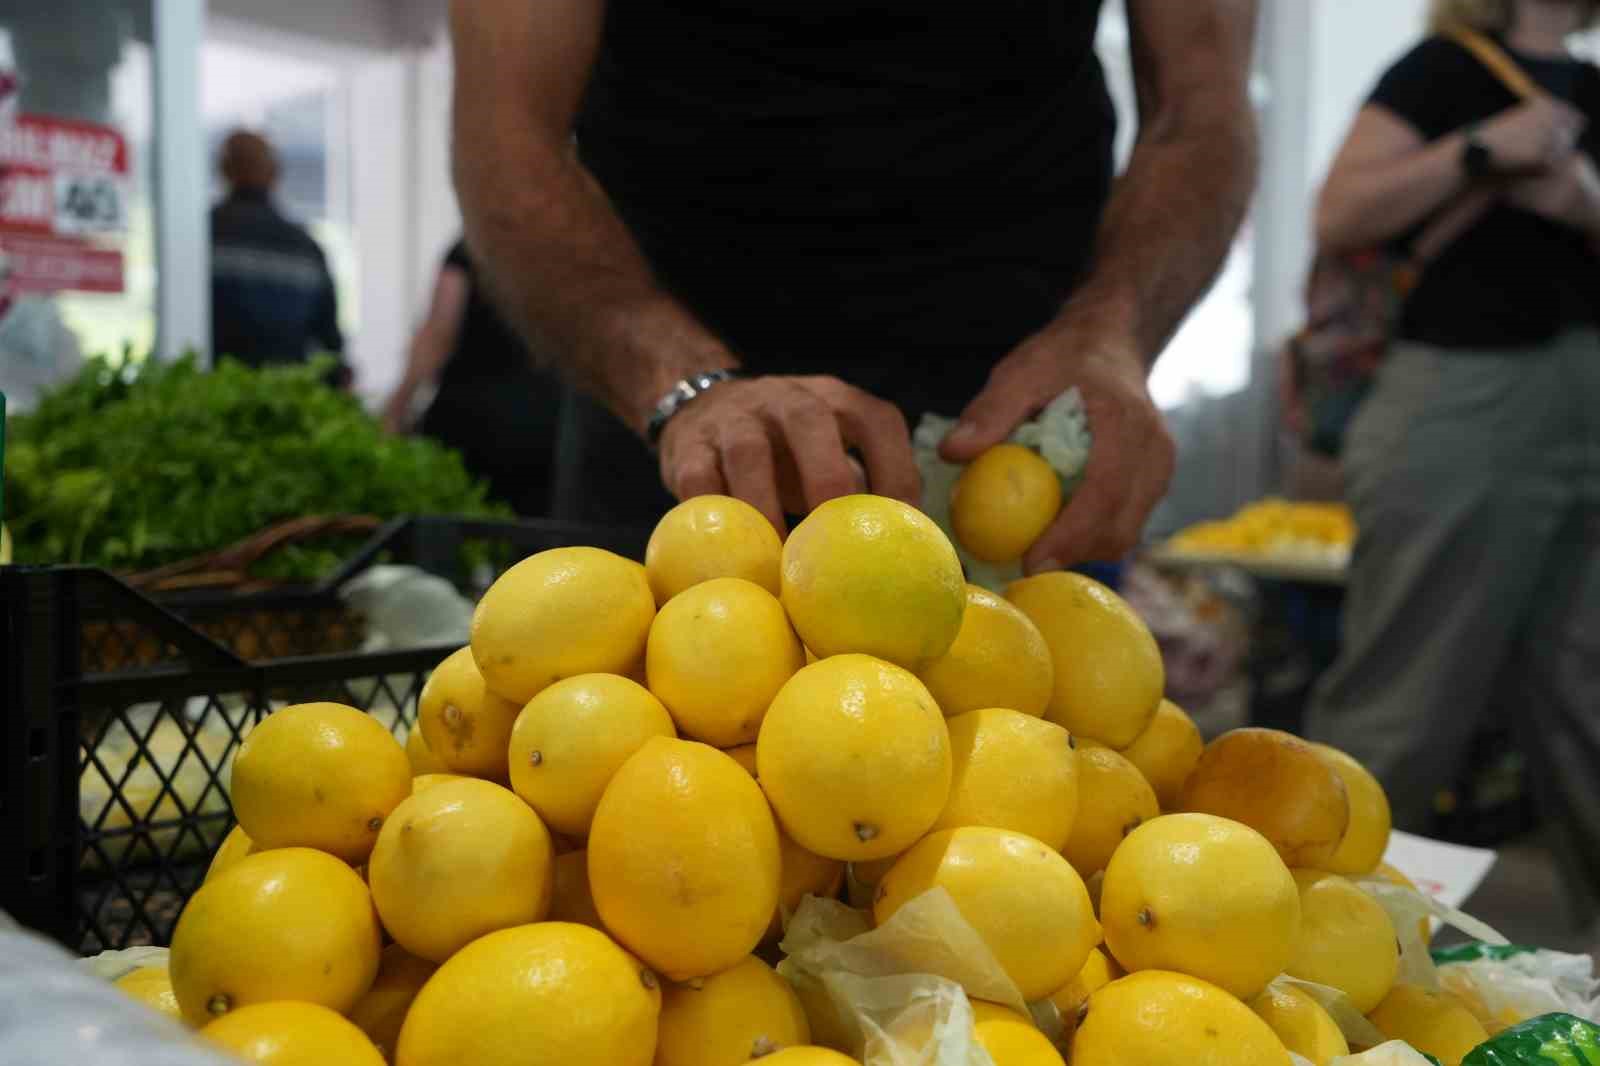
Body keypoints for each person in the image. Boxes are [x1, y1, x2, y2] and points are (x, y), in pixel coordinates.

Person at [448, 1, 1260, 565]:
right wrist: (678, 385)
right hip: (666, 389)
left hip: (1011, 404)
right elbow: (508, 135)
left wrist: (1114, 331)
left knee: (1031, 770)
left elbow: (1200, 111)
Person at [1307, 0, 1600, 876]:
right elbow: (1341, 214)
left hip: (1584, 397)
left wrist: (1586, 202)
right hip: (1462, 395)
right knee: (1406, 695)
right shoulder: (1443, 71)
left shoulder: (1592, 86)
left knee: (1584, 694)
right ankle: (1324, 935)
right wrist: (1480, 149)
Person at [384, 240, 566, 517]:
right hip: (546, 428)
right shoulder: (561, 252)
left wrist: (397, 405)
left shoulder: (469, 248)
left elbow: (439, 333)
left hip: (471, 425)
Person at [210, 130, 345, 377]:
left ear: (223, 170)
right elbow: (330, 348)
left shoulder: (202, 240)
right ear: (274, 174)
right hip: (285, 402)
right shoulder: (306, 249)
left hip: (211, 399)